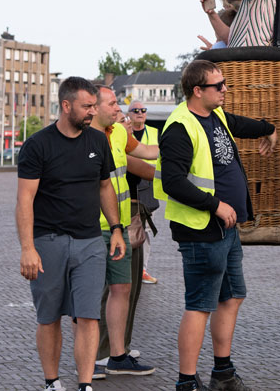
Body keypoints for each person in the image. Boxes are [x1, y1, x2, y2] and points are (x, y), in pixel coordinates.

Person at [155, 59, 278, 391]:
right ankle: (186, 382)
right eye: (218, 85)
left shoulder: (216, 115)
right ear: (198, 91)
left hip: (227, 229)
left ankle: (222, 372)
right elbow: (173, 182)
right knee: (200, 305)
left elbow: (241, 123)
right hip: (201, 230)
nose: (225, 89)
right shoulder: (180, 126)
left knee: (232, 296)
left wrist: (268, 128)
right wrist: (216, 205)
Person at [16, 76, 126, 391]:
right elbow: (24, 200)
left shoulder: (97, 141)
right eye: (87, 106)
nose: (93, 111)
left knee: (88, 316)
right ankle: (52, 382)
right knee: (49, 317)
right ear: (66, 106)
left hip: (91, 242)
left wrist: (116, 228)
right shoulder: (38, 144)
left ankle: (85, 384)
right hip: (47, 243)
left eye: (94, 105)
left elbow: (105, 187)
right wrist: (27, 248)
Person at [90, 86, 158, 376]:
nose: (120, 108)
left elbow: (146, 153)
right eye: (114, 103)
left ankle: (117, 356)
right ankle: (90, 358)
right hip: (91, 229)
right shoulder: (81, 138)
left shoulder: (118, 133)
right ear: (93, 106)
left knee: (122, 289)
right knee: (89, 295)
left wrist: (182, 139)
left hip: (118, 227)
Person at [127, 100, 161, 285]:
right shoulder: (122, 132)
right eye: (136, 110)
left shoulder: (155, 133)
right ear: (129, 113)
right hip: (129, 185)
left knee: (146, 229)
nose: (140, 113)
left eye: (143, 110)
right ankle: (128, 266)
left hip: (149, 185)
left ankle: (142, 269)